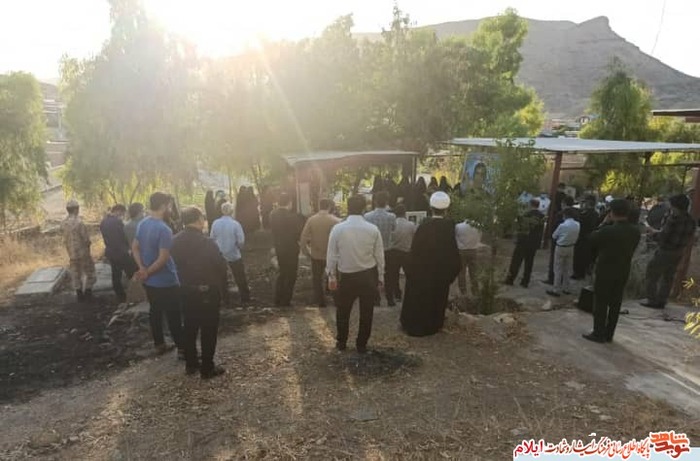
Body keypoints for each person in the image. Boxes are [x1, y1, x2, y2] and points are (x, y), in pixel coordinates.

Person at [171, 207, 228, 378]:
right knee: (208, 329)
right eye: (202, 217)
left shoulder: (174, 241)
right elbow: (221, 265)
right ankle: (207, 367)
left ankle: (191, 364)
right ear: (198, 219)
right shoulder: (207, 242)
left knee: (189, 327)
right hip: (207, 290)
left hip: (185, 290)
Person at [326, 195, 384, 353]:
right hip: (368, 275)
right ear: (365, 208)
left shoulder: (338, 229)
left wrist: (331, 276)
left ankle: (342, 341)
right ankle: (361, 344)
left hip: (346, 275)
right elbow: (379, 256)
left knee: (343, 310)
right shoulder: (373, 229)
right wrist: (380, 277)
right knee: (367, 311)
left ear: (348, 207)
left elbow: (332, 255)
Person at [400, 192, 461, 337]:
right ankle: (433, 325)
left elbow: (414, 251)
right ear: (446, 209)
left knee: (418, 299)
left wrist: (409, 268)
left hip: (420, 273)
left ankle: (413, 324)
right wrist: (450, 274)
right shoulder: (449, 228)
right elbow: (453, 253)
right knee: (436, 299)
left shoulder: (423, 227)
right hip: (439, 275)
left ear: (431, 207)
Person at [133, 192, 184, 356]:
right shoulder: (164, 229)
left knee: (155, 312)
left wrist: (142, 268)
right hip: (166, 279)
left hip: (150, 281)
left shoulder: (143, 223)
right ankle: (182, 348)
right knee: (174, 314)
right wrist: (146, 271)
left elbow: (135, 247)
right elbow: (163, 259)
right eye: (169, 205)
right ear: (163, 206)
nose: (170, 209)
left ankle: (159, 344)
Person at [583, 200, 641, 343]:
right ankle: (609, 333)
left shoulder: (607, 230)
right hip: (623, 270)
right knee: (615, 303)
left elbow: (591, 239)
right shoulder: (635, 231)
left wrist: (603, 223)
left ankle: (598, 332)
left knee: (601, 302)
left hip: (605, 270)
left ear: (611, 212)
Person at [642, 194, 697, 309]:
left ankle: (652, 300)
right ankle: (662, 300)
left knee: (652, 273)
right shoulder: (691, 220)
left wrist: (651, 231)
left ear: (675, 206)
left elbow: (663, 236)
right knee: (668, 276)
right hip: (679, 251)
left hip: (665, 250)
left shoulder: (673, 219)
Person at [300, 198, 340, 307]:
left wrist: (306, 252)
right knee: (332, 276)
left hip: (316, 254)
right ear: (329, 207)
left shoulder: (311, 220)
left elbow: (303, 238)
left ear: (319, 206)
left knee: (317, 279)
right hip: (331, 255)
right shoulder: (336, 221)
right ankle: (336, 299)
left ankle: (320, 301)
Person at [211, 202, 251, 304]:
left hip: (219, 254)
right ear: (232, 211)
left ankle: (225, 298)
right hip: (233, 253)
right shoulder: (235, 224)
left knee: (221, 277)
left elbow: (212, 238)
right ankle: (245, 297)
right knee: (239, 275)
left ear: (221, 211)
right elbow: (241, 241)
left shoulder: (215, 223)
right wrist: (238, 247)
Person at [269, 193, 304, 307]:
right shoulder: (293, 217)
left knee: (282, 272)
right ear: (289, 202)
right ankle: (286, 300)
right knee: (291, 274)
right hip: (291, 248)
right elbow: (298, 233)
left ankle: (277, 298)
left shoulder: (272, 214)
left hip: (279, 246)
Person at [100, 204, 137, 303]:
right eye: (122, 213)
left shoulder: (103, 222)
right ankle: (135, 293)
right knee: (132, 273)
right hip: (122, 253)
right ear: (118, 211)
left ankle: (120, 296)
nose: (122, 215)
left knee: (116, 275)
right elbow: (122, 237)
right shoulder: (117, 222)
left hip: (111, 252)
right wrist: (128, 250)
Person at [364, 191, 396, 305]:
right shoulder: (392, 216)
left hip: (372, 250)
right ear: (386, 202)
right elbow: (394, 230)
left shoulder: (367, 216)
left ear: (375, 201)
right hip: (388, 249)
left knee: (373, 275)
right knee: (389, 275)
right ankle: (390, 299)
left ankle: (376, 299)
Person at [61, 199, 96, 302]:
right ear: (76, 209)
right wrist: (88, 249)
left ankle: (79, 294)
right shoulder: (79, 222)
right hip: (83, 253)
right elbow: (86, 239)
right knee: (90, 272)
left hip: (71, 254)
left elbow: (65, 238)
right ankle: (88, 293)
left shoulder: (63, 223)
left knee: (76, 274)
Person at [505, 199, 545, 288]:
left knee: (516, 261)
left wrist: (517, 238)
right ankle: (525, 281)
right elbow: (541, 231)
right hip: (533, 243)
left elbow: (521, 228)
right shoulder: (542, 216)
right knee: (529, 262)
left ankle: (510, 279)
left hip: (523, 242)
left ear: (530, 205)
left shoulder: (526, 215)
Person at [385, 204, 416, 306]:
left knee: (392, 276)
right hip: (407, 253)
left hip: (393, 252)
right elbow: (414, 238)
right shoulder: (411, 225)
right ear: (405, 213)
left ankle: (393, 296)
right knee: (410, 276)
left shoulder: (392, 225)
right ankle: (410, 296)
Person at [547, 207, 580, 297]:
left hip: (561, 247)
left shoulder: (562, 225)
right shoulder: (577, 224)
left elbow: (554, 236)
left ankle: (556, 289)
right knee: (567, 268)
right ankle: (566, 288)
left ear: (565, 215)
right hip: (571, 247)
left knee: (558, 269)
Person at [544, 195, 577, 285]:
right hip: (571, 243)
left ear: (564, 203)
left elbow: (555, 230)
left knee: (556, 264)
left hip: (559, 242)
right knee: (567, 266)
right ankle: (564, 283)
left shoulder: (561, 214)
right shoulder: (576, 214)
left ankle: (553, 280)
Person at [572, 196, 600, 280]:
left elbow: (582, 221)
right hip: (588, 236)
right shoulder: (594, 213)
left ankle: (578, 273)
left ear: (588, 203)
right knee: (583, 256)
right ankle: (580, 272)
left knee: (579, 255)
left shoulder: (588, 213)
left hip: (583, 236)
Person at [455, 214, 481, 296]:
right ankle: (475, 290)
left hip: (461, 251)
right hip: (473, 250)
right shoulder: (478, 226)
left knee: (461, 272)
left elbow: (455, 237)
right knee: (474, 271)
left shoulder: (458, 226)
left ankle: (463, 291)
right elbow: (480, 237)